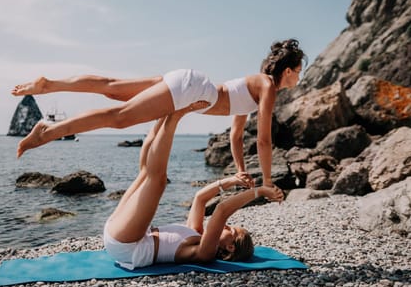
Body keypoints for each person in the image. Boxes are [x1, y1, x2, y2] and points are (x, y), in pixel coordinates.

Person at [12, 39, 306, 187]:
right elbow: (264, 141)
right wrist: (268, 184)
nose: (298, 79)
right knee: (120, 117)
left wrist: (241, 168)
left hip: (190, 81)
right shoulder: (267, 86)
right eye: (298, 73)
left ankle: (49, 85)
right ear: (289, 71)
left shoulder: (255, 84)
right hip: (192, 91)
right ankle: (47, 132)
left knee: (112, 87)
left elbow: (237, 133)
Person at [103, 101, 284, 269]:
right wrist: (232, 180)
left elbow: (221, 211)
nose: (228, 226)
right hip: (123, 233)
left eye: (232, 230)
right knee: (145, 173)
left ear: (230, 247)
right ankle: (164, 116)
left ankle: (174, 116)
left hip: (127, 247)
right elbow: (200, 199)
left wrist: (258, 191)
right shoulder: (196, 234)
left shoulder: (205, 252)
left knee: (157, 181)